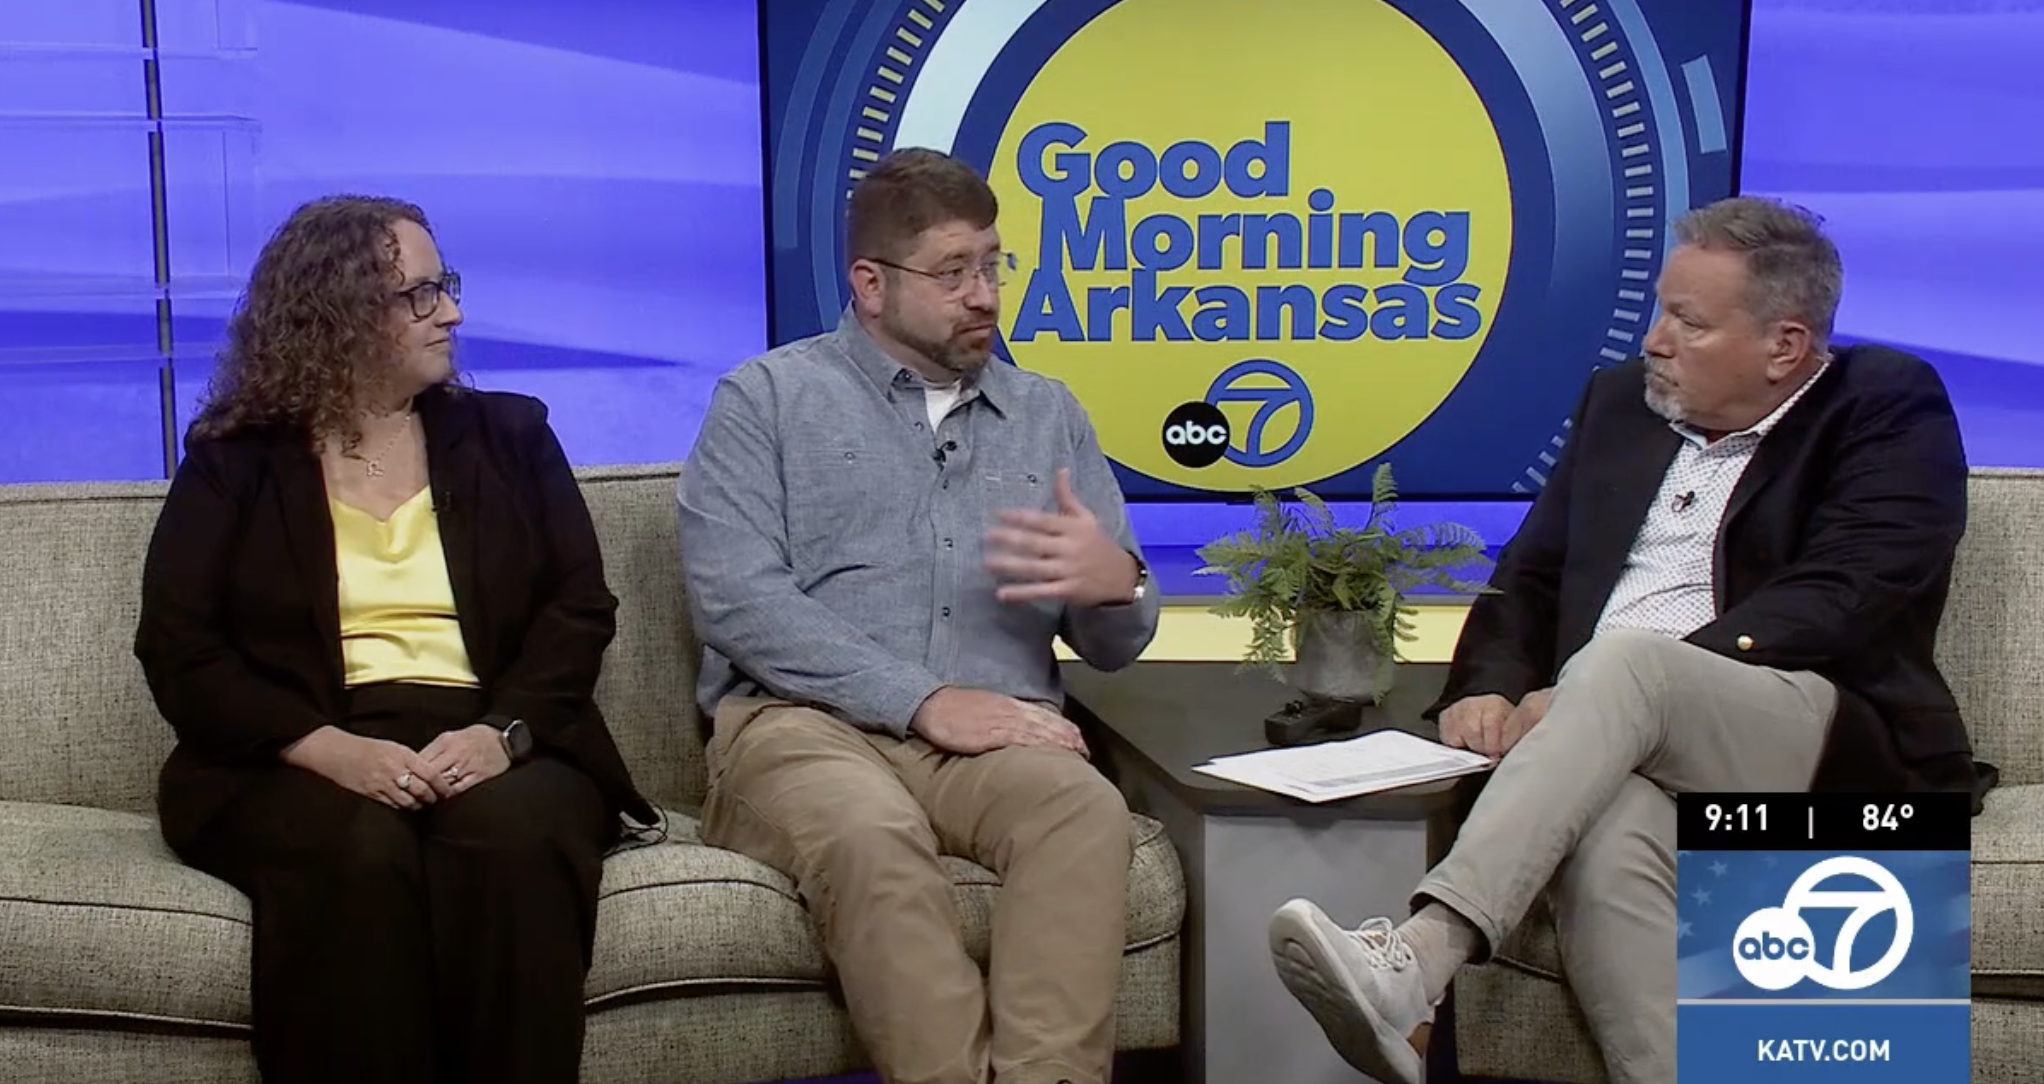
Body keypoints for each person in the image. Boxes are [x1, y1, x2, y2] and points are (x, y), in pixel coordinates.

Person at [1266, 196, 1982, 1084]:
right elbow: (1530, 573)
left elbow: (1849, 591)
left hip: (1809, 726)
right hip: (1617, 739)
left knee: (1624, 662)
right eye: (1658, 312)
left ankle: (1422, 954)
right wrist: (1489, 683)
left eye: (1689, 322)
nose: (1655, 340)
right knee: (1606, 842)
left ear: (1785, 347)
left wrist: (1606, 693)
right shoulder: (1619, 406)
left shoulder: (1882, 403)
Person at [135, 195, 654, 1084]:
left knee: (511, 840)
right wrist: (322, 748)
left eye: (444, 286)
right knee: (358, 851)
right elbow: (179, 645)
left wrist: (502, 735)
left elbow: (578, 608)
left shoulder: (511, 436)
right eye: (419, 294)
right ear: (337, 315)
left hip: (490, 733)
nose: (450, 312)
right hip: (299, 750)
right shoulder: (237, 459)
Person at [676, 148, 1161, 1084]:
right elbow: (737, 599)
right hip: (803, 728)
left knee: (1084, 811)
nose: (985, 295)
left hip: (999, 736)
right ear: (871, 284)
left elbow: (1114, 645)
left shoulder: (1048, 415)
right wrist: (924, 699)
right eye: (952, 273)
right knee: (871, 836)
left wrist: (1119, 585)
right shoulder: (766, 400)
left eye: (993, 265)